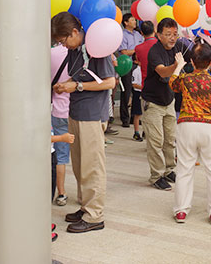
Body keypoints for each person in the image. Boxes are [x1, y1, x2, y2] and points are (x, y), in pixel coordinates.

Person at [51, 12, 116, 234]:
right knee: (79, 165)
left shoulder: (97, 46)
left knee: (92, 167)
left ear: (75, 32)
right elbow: (80, 76)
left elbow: (109, 82)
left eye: (64, 40)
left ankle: (95, 215)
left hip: (92, 114)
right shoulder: (74, 50)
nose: (63, 45)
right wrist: (66, 84)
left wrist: (76, 87)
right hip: (76, 111)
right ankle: (85, 206)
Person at [169, 43, 211, 225]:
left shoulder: (186, 79)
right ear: (210, 62)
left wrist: (179, 65)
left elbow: (172, 83)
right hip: (209, 126)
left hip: (187, 124)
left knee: (184, 168)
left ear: (192, 63)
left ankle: (181, 210)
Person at [141, 18, 184, 191]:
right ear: (159, 35)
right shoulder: (154, 52)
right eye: (168, 34)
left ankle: (168, 170)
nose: (172, 38)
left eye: (174, 34)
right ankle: (156, 176)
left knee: (170, 139)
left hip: (169, 100)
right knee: (156, 141)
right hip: (153, 103)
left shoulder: (178, 47)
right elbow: (163, 71)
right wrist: (176, 65)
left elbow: (196, 59)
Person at [51, 44, 71, 206]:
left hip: (57, 111)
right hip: (78, 112)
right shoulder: (82, 53)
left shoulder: (50, 53)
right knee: (81, 156)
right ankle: (84, 192)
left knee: (60, 157)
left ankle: (61, 193)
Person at [118, 14, 144, 128]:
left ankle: (135, 117)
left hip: (138, 65)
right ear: (126, 22)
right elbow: (123, 52)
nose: (135, 21)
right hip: (127, 65)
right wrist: (136, 50)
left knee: (137, 92)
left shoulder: (138, 35)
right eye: (132, 20)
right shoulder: (122, 35)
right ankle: (125, 118)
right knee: (126, 92)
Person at [134, 21, 157, 87]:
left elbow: (139, 62)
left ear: (141, 33)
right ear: (154, 30)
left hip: (146, 83)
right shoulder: (161, 45)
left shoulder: (138, 48)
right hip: (162, 83)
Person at [130, 57, 143, 142]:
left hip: (145, 93)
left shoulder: (147, 70)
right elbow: (134, 84)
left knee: (145, 114)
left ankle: (145, 131)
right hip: (138, 93)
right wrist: (143, 87)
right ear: (136, 61)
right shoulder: (136, 71)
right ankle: (136, 132)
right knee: (137, 114)